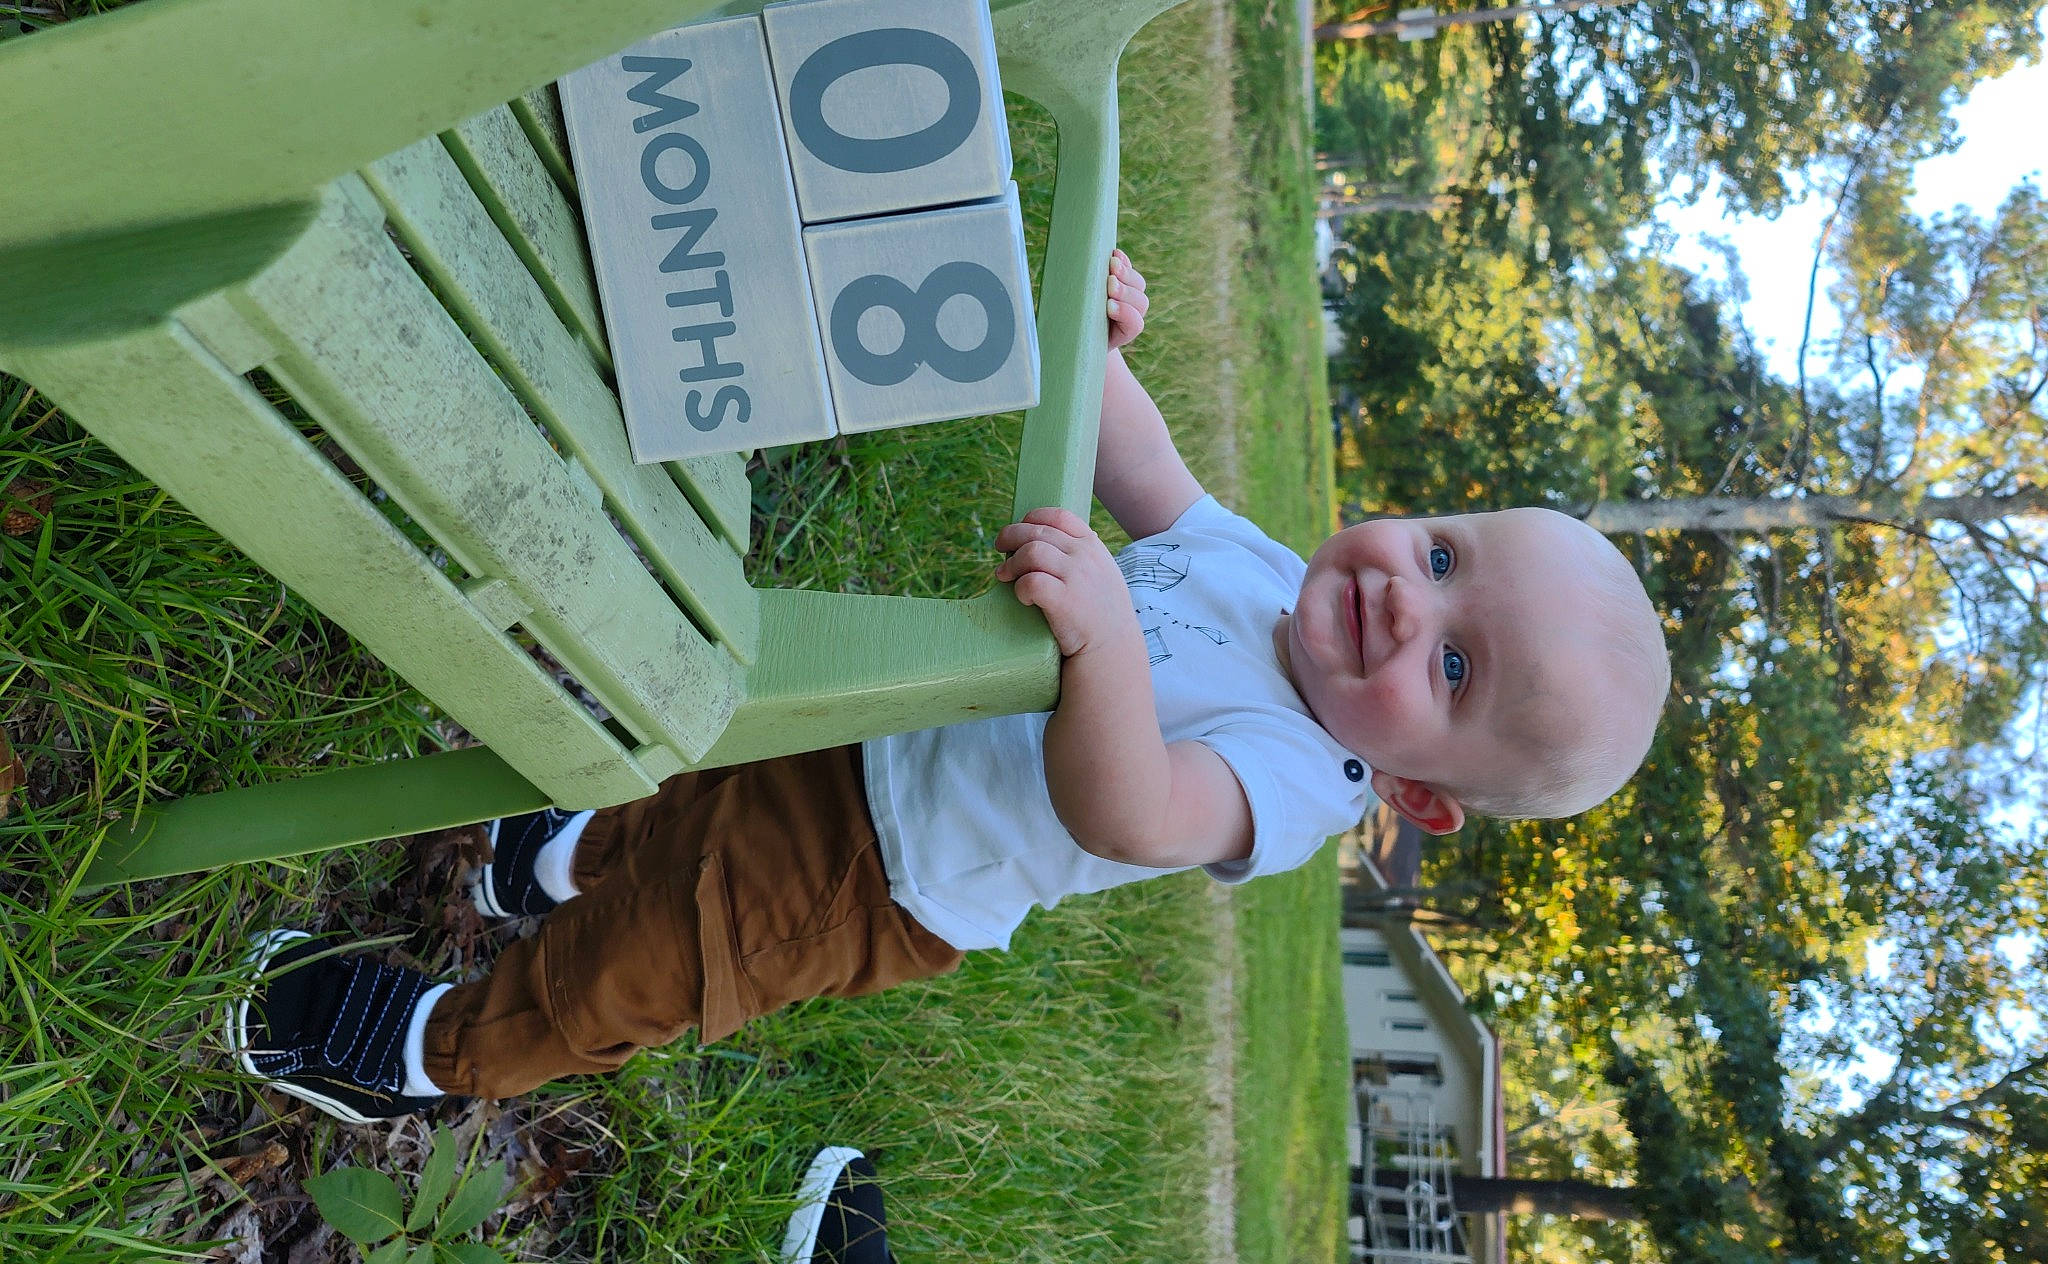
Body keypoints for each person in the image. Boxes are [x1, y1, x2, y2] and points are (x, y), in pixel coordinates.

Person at [226, 250, 1671, 1122]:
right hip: (878, 729)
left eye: (1456, 664)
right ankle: (544, 865)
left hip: (878, 873)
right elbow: (1139, 468)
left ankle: (435, 1054)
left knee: (652, 955)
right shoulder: (1262, 572)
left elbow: (1130, 812)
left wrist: (1102, 643)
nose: (1407, 597)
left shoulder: (1300, 779)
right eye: (1444, 553)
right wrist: (1097, 350)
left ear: (1416, 790)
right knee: (681, 800)